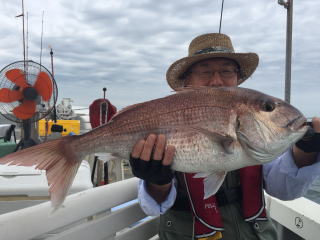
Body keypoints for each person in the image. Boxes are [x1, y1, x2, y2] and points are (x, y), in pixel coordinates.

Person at [129, 33, 320, 240]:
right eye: (205, 71)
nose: (217, 80)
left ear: (237, 78)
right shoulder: (163, 116)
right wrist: (157, 180)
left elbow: (284, 190)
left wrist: (306, 152)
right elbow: (152, 207)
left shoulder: (260, 135)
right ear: (186, 82)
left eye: (227, 71)